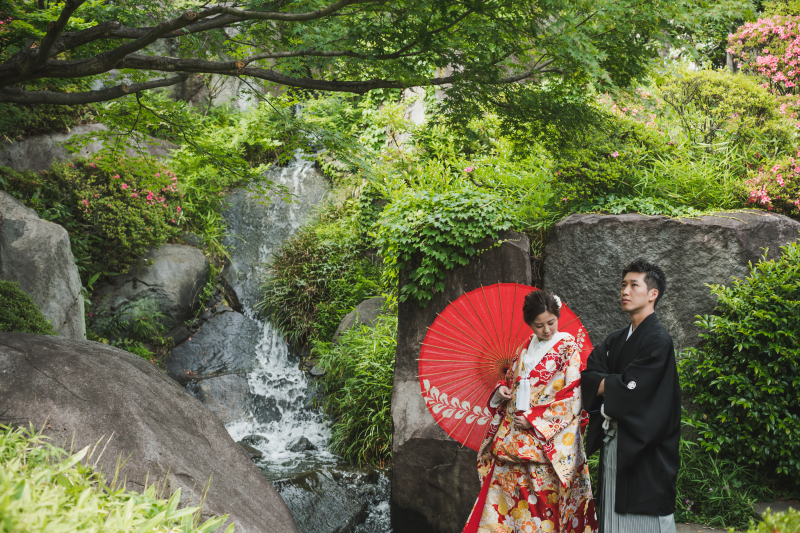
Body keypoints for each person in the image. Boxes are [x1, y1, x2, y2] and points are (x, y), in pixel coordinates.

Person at [463, 290, 598, 533]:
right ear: (529, 324)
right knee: (503, 506)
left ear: (558, 317)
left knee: (541, 508)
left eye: (551, 322)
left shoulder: (567, 346)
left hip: (544, 443)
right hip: (513, 437)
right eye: (539, 325)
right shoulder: (525, 347)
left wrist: (533, 420)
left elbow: (572, 396)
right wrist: (502, 389)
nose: (546, 330)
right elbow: (512, 380)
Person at [581, 259, 681, 533]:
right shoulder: (615, 340)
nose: (625, 291)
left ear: (652, 294)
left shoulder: (659, 340)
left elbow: (632, 389)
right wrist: (617, 383)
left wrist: (611, 384)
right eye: (623, 284)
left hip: (646, 450)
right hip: (615, 444)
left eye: (633, 285)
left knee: (645, 517)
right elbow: (589, 377)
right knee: (612, 518)